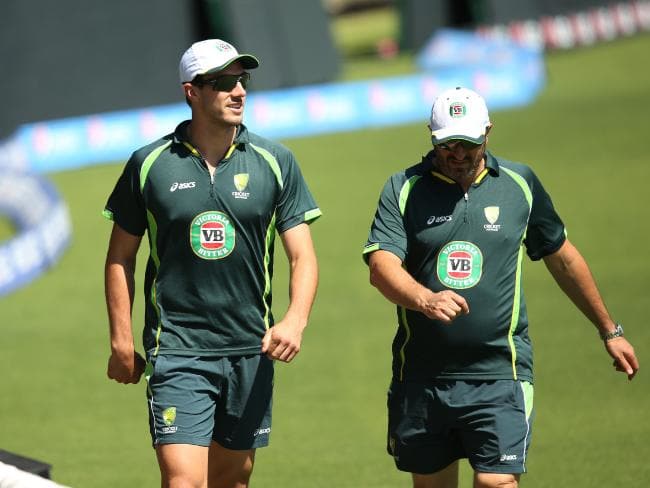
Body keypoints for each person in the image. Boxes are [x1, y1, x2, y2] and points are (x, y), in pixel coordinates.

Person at [362, 86, 639, 488]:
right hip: (422, 377)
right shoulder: (403, 188)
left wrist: (609, 330)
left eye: (468, 143)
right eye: (448, 144)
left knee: (497, 483)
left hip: (500, 372)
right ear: (431, 136)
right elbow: (381, 265)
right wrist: (424, 298)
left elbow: (562, 258)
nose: (458, 153)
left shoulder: (519, 184)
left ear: (488, 132)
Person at [103, 39, 321, 488]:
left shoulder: (276, 162)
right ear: (192, 92)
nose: (239, 91)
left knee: (232, 481)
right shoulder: (148, 164)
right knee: (185, 482)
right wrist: (122, 341)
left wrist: (295, 321)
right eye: (223, 82)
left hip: (250, 350)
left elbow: (302, 255)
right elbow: (120, 257)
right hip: (179, 349)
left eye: (242, 80)